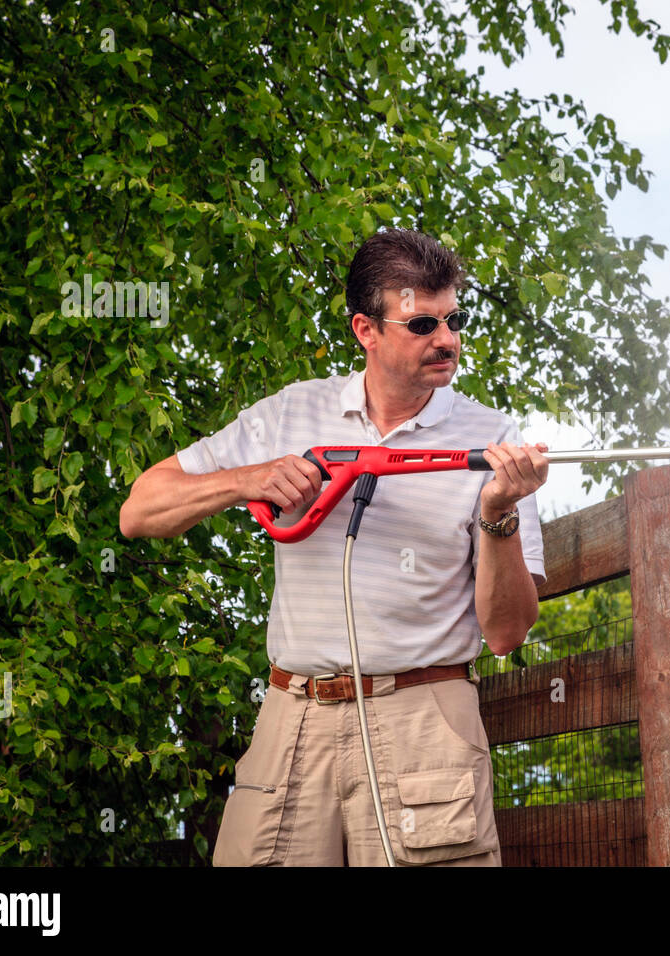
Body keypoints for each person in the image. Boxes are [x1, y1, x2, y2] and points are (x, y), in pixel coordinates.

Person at [118, 229, 548, 866]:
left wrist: (499, 515)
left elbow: (509, 632)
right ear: (365, 330)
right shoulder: (291, 413)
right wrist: (247, 479)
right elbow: (138, 510)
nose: (448, 340)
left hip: (424, 714)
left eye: (455, 319)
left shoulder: (493, 441)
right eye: (422, 323)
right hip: (293, 716)